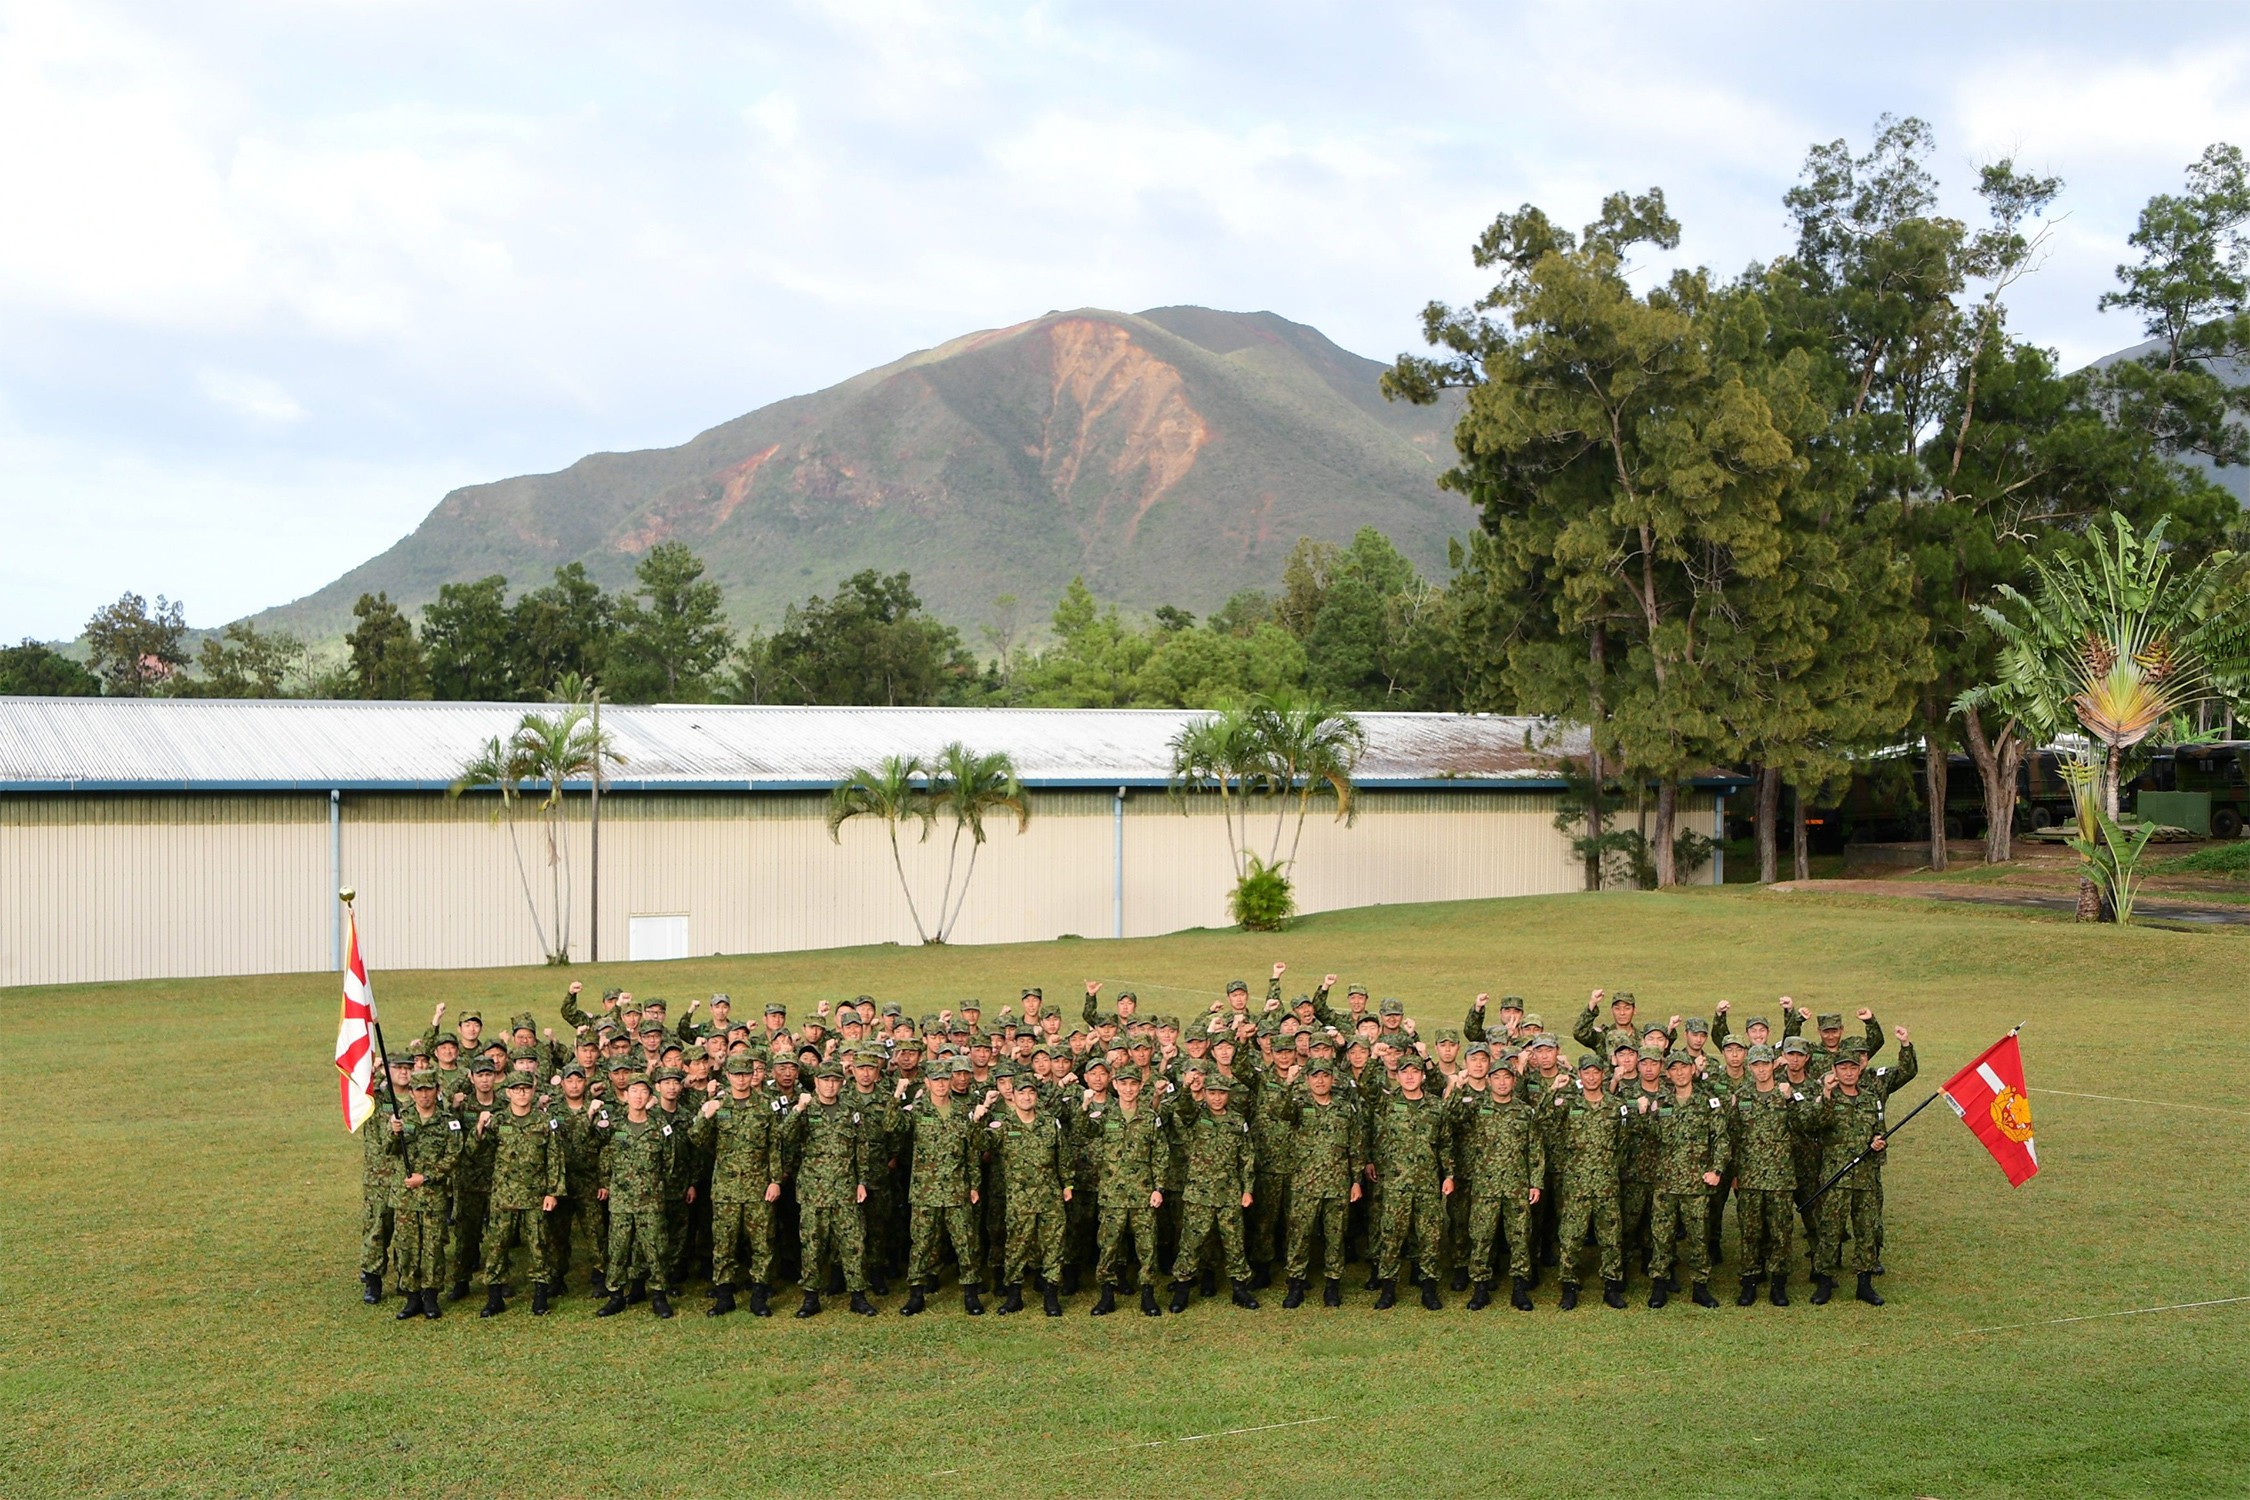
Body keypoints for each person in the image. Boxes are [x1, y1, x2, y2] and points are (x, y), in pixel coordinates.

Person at [1804, 1027, 1916, 1306]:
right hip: (1836, 1175)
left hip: (1865, 1176)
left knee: (1866, 1229)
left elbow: (1879, 1130)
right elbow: (1812, 1124)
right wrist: (1826, 1096)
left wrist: (1879, 1141)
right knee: (1830, 1230)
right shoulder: (1827, 1097)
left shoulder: (1869, 1099)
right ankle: (1825, 1281)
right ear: (1835, 1071)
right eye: (1843, 1068)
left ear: (1858, 1070)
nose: (1849, 1073)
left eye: (1853, 1068)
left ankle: (1864, 1282)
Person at [694, 1055, 793, 1317]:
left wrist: (774, 1181)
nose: (741, 1079)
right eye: (736, 1074)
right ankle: (724, 1295)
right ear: (727, 1076)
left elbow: (775, 1145)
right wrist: (706, 1115)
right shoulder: (719, 1104)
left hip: (758, 1188)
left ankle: (759, 1296)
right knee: (724, 1244)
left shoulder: (764, 1107)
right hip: (726, 1189)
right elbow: (696, 1138)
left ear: (752, 1076)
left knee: (762, 1244)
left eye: (745, 1074)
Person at [1446, 1046, 1543, 1311]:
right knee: (1481, 1236)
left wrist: (1536, 1182)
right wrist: (1457, 1089)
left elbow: (1534, 1148)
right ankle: (1480, 1288)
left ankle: (1520, 1289)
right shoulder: (1476, 1107)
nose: (1502, 1082)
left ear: (1514, 1081)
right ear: (1489, 1080)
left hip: (1517, 1184)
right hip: (1485, 1186)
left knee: (1519, 1237)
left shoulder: (1524, 1111)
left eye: (1507, 1077)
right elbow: (1450, 1118)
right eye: (1497, 1077)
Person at [902, 1058, 991, 1316]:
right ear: (927, 1082)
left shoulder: (963, 1111)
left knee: (966, 1243)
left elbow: (971, 1152)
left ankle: (971, 1295)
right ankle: (916, 1295)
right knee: (921, 1244)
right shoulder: (917, 1110)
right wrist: (897, 1098)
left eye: (945, 1079)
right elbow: (892, 1127)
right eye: (936, 1080)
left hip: (956, 1188)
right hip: (925, 1191)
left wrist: (974, 1185)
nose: (941, 1084)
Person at [1641, 1050, 1729, 1309]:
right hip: (1666, 1184)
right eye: (1674, 1069)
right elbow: (1651, 1138)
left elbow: (1721, 1138)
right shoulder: (1661, 1102)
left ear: (1692, 1070)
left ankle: (1700, 1287)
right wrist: (1646, 1115)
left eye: (1683, 1068)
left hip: (1696, 1184)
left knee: (1699, 1237)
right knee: (1661, 1237)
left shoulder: (1707, 1102)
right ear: (1667, 1074)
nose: (1679, 1073)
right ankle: (1659, 1285)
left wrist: (1717, 1170)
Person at [1166, 1071, 1258, 1312]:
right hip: (1199, 1192)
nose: (1217, 1098)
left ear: (1228, 1095)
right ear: (1205, 1093)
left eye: (1222, 1093)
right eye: (1213, 1093)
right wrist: (1186, 1087)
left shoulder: (1238, 1121)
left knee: (1234, 1242)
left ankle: (1239, 1288)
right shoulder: (1196, 1115)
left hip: (1229, 1192)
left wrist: (1247, 1190)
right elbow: (1182, 1108)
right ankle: (1182, 1288)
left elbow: (1246, 1158)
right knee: (1191, 1242)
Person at [1082, 1063, 1168, 1316]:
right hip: (1112, 1195)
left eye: (1133, 1084)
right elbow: (1084, 1131)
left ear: (1140, 1086)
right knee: (1108, 1245)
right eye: (1124, 1084)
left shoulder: (1150, 1117)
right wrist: (1084, 1107)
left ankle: (1148, 1295)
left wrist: (1158, 1188)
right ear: (1115, 1085)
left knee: (1146, 1246)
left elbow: (1160, 1154)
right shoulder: (1106, 1114)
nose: (1129, 1089)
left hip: (1143, 1193)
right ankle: (1106, 1294)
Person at [1368, 1052, 1453, 1310]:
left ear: (1422, 1076)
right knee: (1391, 1236)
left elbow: (1446, 1144)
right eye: (1404, 1072)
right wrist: (1372, 1164)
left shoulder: (1436, 1106)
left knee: (1429, 1237)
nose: (1409, 1076)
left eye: (1414, 1072)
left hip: (1427, 1182)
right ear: (1398, 1075)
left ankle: (1428, 1288)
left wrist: (1449, 1175)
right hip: (1395, 1183)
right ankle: (1388, 1288)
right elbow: (1375, 1136)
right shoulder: (1387, 1103)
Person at [792, 1061, 877, 1318]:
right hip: (813, 1191)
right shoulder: (807, 1108)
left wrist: (862, 1181)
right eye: (825, 1080)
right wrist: (798, 1109)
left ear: (841, 1083)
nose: (830, 1085)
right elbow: (785, 1136)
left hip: (845, 1189)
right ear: (816, 1082)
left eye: (835, 1080)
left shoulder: (851, 1109)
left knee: (853, 1244)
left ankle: (858, 1296)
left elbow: (861, 1148)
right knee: (812, 1245)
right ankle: (810, 1297)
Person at [478, 1072, 566, 1316]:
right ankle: (494, 1297)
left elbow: (555, 1159)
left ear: (533, 1090)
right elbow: (479, 1153)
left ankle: (540, 1295)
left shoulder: (544, 1122)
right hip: (504, 1196)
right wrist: (478, 1131)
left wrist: (553, 1192)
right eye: (516, 1089)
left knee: (539, 1246)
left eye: (526, 1089)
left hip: (535, 1196)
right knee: (497, 1246)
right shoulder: (498, 1121)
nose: (521, 1093)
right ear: (508, 1092)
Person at [986, 1069, 1072, 1315]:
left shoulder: (1048, 1122)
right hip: (1020, 1198)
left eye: (1031, 1092)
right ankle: (1014, 1296)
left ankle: (1051, 1295)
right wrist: (980, 1117)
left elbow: (1063, 1156)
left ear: (1036, 1096)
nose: (1026, 1097)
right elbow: (982, 1144)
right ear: (1012, 1095)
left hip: (1049, 1196)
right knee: (1016, 1246)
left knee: (1053, 1245)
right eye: (1021, 1092)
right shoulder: (1004, 1124)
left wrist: (1068, 1184)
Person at [1548, 1053, 1631, 1309]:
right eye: (1587, 1072)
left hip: (1607, 1184)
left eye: (1596, 1072)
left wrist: (1610, 1171)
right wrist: (1552, 1091)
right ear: (1580, 1076)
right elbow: (1544, 1121)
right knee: (1571, 1238)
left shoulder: (1616, 1107)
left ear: (1604, 1074)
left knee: (1611, 1238)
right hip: (1576, 1184)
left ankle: (1611, 1286)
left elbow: (1624, 1145)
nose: (1592, 1076)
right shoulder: (1568, 1104)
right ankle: (1569, 1286)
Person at [593, 1074, 678, 1318]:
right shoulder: (615, 1126)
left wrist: (657, 1186)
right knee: (618, 1248)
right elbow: (605, 1156)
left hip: (651, 1199)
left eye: (643, 1091)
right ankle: (616, 1295)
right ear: (626, 1095)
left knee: (655, 1248)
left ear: (651, 1096)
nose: (638, 1096)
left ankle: (659, 1295)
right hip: (621, 1199)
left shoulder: (660, 1127)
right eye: (634, 1091)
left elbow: (669, 1162)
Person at [1281, 1057, 1363, 1309]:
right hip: (1305, 1184)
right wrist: (1288, 1085)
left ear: (1332, 1079)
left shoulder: (1344, 1108)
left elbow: (1355, 1147)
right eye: (1314, 1076)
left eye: (1324, 1076)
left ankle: (1332, 1285)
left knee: (1335, 1237)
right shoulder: (1298, 1104)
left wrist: (1356, 1180)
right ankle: (1296, 1284)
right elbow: (1281, 1113)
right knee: (1299, 1235)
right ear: (1307, 1080)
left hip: (1337, 1184)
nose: (1320, 1080)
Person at [1731, 1043, 1808, 1305]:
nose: (1761, 1069)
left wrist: (1791, 1100)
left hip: (1780, 1177)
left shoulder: (1786, 1093)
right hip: (1750, 1176)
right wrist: (1734, 1173)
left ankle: (1778, 1284)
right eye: (1756, 1065)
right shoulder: (1740, 1096)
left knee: (1780, 1233)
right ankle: (1750, 1281)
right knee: (1750, 1232)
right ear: (1750, 1067)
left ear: (1774, 1065)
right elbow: (1732, 1136)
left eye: (1765, 1064)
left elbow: (1805, 1125)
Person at [385, 1068, 463, 1320]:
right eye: (419, 1090)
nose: (425, 1094)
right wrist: (393, 1133)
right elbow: (389, 1150)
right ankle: (411, 1297)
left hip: (433, 1195)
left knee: (433, 1247)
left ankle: (430, 1296)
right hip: (406, 1197)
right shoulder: (401, 1118)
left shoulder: (448, 1120)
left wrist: (427, 1177)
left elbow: (453, 1156)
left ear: (437, 1091)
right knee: (407, 1246)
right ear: (411, 1092)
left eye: (429, 1089)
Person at [360, 1057, 412, 1304]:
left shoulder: (417, 1098)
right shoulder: (376, 1099)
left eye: (408, 1068)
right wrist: (371, 1070)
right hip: (379, 1176)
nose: (404, 1072)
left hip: (406, 1176)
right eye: (398, 1067)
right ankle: (373, 1279)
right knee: (378, 1229)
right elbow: (358, 1088)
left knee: (405, 1230)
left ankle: (406, 1277)